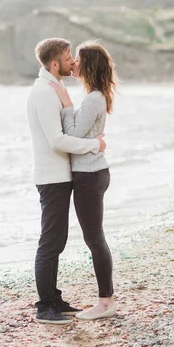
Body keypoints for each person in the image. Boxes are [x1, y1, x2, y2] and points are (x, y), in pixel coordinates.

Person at [26, 38, 106, 325]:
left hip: (62, 175)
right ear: (55, 63)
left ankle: (54, 298)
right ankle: (44, 306)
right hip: (51, 177)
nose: (73, 60)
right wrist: (94, 146)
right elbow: (57, 140)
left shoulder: (55, 89)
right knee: (50, 241)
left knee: (58, 239)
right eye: (68, 56)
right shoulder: (44, 93)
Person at [49, 39, 118, 320]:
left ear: (88, 65)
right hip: (91, 172)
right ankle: (106, 300)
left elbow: (75, 134)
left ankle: (105, 302)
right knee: (95, 237)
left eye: (77, 57)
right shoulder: (95, 96)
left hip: (90, 175)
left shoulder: (93, 98)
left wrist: (65, 106)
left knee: (95, 238)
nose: (73, 62)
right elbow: (84, 134)